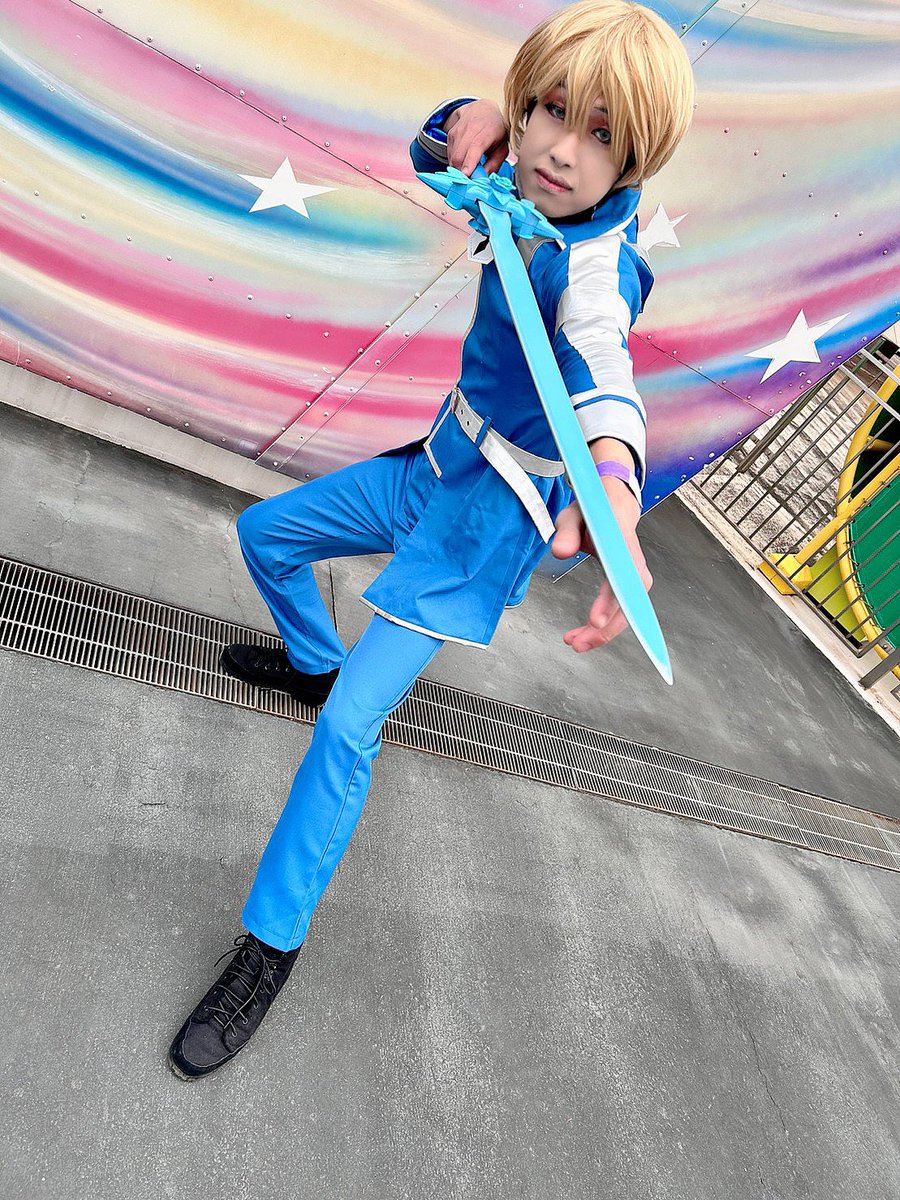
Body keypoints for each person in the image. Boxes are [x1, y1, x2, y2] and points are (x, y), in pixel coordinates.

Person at [168, 0, 695, 1080]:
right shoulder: (521, 176)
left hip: (481, 531)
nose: (562, 149)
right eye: (552, 110)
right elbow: (435, 152)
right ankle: (314, 661)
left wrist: (614, 490)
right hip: (434, 466)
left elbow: (605, 372)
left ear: (635, 160)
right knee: (267, 534)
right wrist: (472, 117)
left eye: (600, 134)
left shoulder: (602, 266)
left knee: (348, 732)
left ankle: (271, 944)